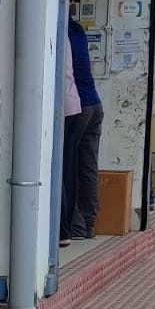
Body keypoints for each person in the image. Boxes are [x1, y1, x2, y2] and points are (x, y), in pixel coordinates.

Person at [68, 18, 103, 239]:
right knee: (88, 166)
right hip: (95, 104)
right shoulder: (78, 30)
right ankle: (88, 222)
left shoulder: (61, 33)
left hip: (78, 106)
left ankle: (75, 226)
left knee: (68, 166)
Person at [59, 34, 83, 247]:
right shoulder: (68, 34)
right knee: (68, 170)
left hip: (62, 109)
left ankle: (62, 229)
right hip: (73, 105)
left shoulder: (57, 32)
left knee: (58, 170)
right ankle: (68, 228)